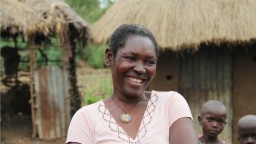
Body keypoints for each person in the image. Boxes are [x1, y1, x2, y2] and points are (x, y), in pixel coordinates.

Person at [66, 24, 198, 144]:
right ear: (109, 57)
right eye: (130, 58)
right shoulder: (86, 118)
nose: (141, 69)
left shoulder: (170, 104)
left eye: (149, 62)